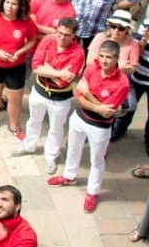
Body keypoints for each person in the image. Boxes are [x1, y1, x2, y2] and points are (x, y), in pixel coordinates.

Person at [49, 39, 131, 213]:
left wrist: (89, 96)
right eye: (101, 56)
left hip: (100, 128)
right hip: (79, 117)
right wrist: (95, 104)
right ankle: (69, 176)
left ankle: (92, 192)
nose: (103, 61)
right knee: (73, 148)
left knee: (97, 160)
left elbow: (107, 112)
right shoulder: (91, 68)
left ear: (117, 59)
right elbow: (78, 94)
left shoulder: (122, 83)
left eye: (108, 57)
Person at [13, 19, 85, 176]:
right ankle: (29, 145)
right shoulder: (48, 40)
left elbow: (63, 82)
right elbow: (36, 67)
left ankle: (51, 155)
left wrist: (47, 68)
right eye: (59, 33)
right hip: (39, 90)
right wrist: (58, 72)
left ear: (73, 36)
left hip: (59, 98)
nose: (61, 37)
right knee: (33, 119)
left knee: (56, 128)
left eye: (66, 35)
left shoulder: (78, 53)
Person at [0, 0, 38, 138]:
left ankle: (14, 125)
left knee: (15, 96)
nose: (10, 7)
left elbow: (32, 39)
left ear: (20, 6)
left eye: (14, 4)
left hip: (16, 64)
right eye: (7, 3)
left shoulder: (26, 21)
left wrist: (20, 52)